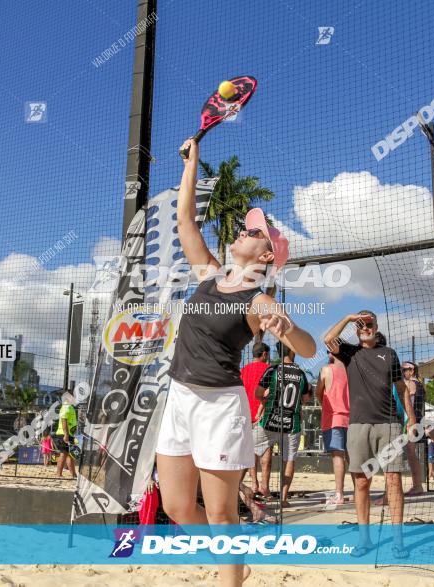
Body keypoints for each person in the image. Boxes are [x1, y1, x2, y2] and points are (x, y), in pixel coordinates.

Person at [155, 138, 316, 587]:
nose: (246, 229)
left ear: (267, 256)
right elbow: (185, 219)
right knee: (177, 507)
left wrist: (288, 328)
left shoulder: (259, 299)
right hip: (181, 397)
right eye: (248, 227)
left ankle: (231, 574)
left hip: (219, 408)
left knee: (224, 513)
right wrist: (192, 163)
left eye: (255, 231)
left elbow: (306, 349)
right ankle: (235, 561)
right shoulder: (209, 275)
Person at [324, 311, 414, 558]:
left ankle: (398, 540)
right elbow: (328, 338)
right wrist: (348, 317)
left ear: (376, 326)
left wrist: (412, 418)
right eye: (361, 325)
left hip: (389, 424)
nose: (365, 328)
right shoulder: (351, 353)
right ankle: (364, 539)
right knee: (361, 483)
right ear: (356, 329)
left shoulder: (390, 354)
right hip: (358, 425)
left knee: (393, 481)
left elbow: (401, 388)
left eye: (369, 324)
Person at [253, 346, 312, 509]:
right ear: (293, 351)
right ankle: (284, 498)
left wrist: (267, 399)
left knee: (249, 450)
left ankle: (248, 486)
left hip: (270, 420)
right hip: (291, 423)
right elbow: (306, 398)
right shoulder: (300, 373)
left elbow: (257, 393)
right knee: (289, 459)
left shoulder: (272, 369)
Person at [315, 353, 350, 508]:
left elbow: (318, 392)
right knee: (352, 457)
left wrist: (325, 405)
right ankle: (359, 492)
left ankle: (339, 494)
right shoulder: (350, 370)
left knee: (338, 456)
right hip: (351, 418)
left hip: (333, 417)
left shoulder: (326, 369)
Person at [241, 342, 271, 496]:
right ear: (264, 354)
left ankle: (254, 484)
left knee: (250, 451)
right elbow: (269, 393)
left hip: (245, 416)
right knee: (265, 450)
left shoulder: (243, 370)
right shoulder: (268, 369)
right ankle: (265, 487)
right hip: (263, 415)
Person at [402, 361, 426, 496]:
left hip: (412, 421)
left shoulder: (411, 383)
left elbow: (409, 405)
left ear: (412, 370)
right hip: (418, 418)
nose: (403, 372)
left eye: (405, 369)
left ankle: (417, 486)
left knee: (411, 455)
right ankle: (417, 485)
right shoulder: (420, 384)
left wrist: (409, 422)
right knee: (412, 454)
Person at [53, 392, 78, 479]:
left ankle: (74, 475)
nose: (75, 398)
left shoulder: (70, 407)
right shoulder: (66, 407)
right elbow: (64, 421)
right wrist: (66, 435)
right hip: (64, 434)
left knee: (70, 455)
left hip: (69, 434)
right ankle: (58, 475)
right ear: (68, 398)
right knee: (63, 454)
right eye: (73, 396)